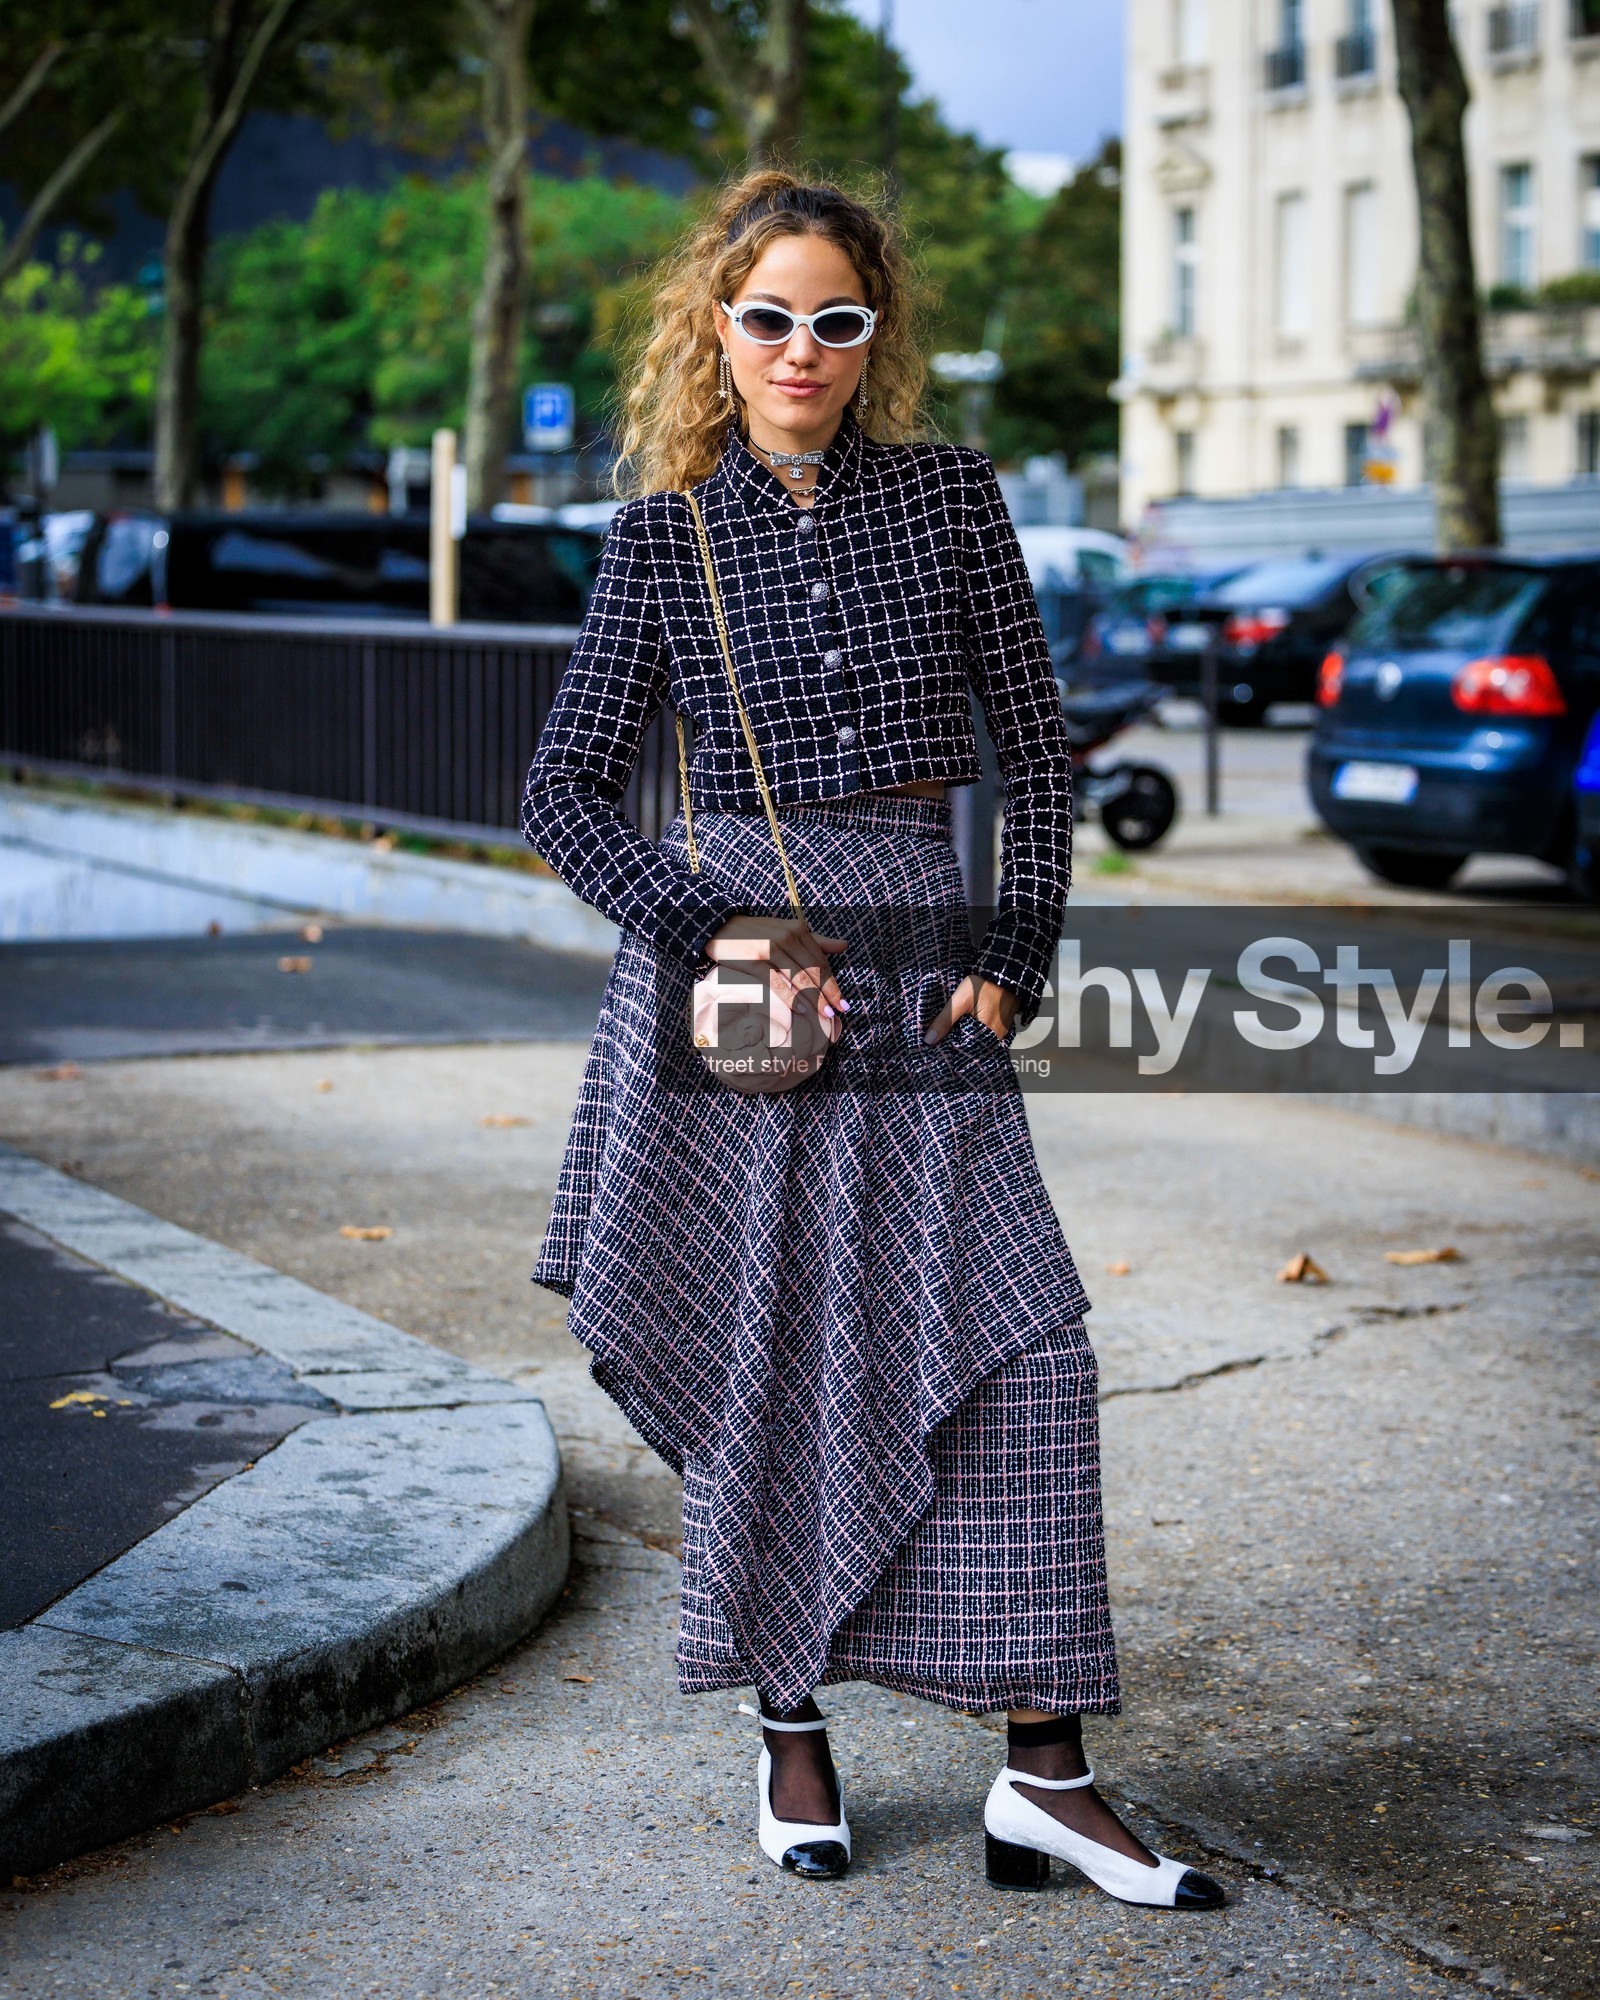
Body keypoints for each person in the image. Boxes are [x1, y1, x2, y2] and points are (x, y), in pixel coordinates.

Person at [520, 167, 1223, 1911]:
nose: (802, 348)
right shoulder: (662, 535)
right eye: (769, 317)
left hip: (924, 952)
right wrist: (714, 932)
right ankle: (789, 1730)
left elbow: (1036, 757)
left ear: (875, 331)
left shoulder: (956, 500)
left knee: (1021, 1341)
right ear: (718, 327)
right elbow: (559, 794)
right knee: (768, 1345)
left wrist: (1016, 941)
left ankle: (1047, 1776)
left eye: (839, 318)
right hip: (738, 979)